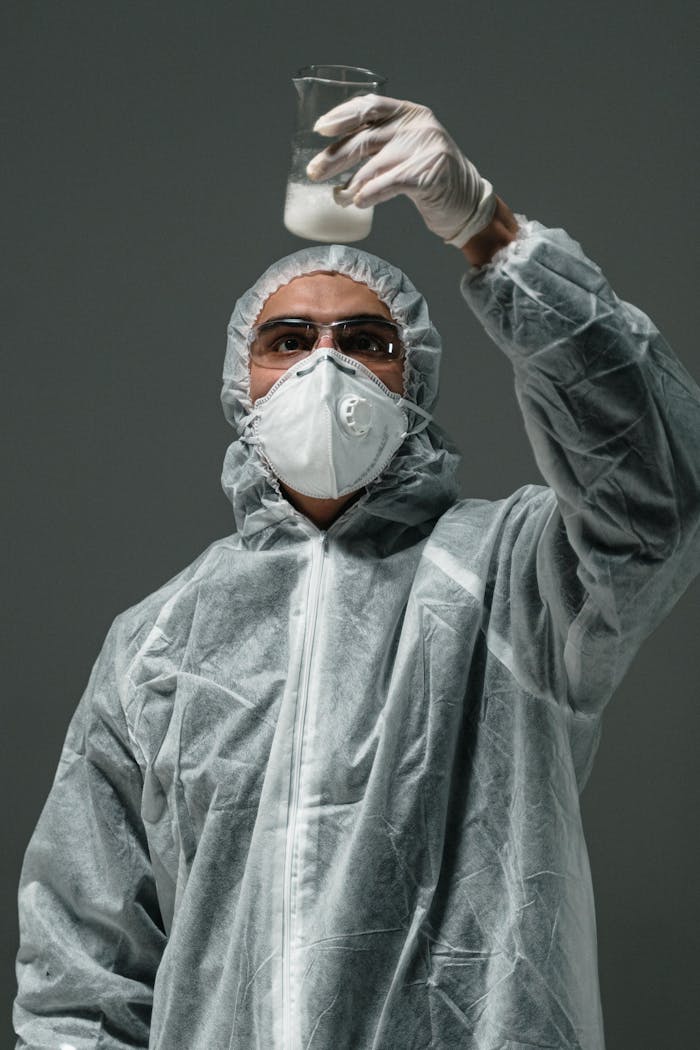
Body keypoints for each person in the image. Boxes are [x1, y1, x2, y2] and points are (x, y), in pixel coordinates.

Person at [13, 96, 700, 1050]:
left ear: (412, 378)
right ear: (240, 383)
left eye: (367, 343)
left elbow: (656, 492)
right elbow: (82, 972)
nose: (325, 367)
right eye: (289, 342)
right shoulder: (157, 645)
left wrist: (489, 232)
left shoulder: (516, 576)